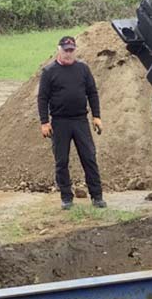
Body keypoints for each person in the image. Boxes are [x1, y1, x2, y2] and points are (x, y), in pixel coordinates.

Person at [37, 36, 107, 210]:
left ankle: (97, 196)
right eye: (65, 50)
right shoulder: (49, 72)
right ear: (59, 49)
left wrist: (96, 116)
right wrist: (44, 122)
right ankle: (66, 197)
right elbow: (42, 98)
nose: (69, 53)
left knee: (89, 157)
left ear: (75, 50)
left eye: (71, 50)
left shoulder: (82, 69)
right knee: (61, 161)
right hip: (60, 122)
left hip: (80, 120)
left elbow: (92, 93)